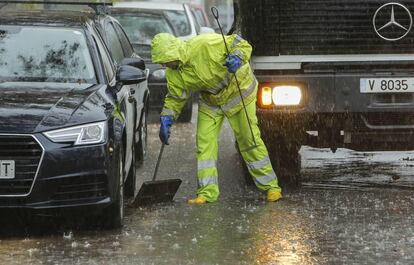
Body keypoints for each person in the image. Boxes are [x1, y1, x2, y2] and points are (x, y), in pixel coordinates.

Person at [151, 32, 282, 204]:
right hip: (211, 100)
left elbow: (241, 44)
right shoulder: (174, 73)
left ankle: (271, 187)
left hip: (239, 92)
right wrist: (167, 118)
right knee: (204, 142)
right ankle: (206, 193)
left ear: (173, 53)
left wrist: (237, 56)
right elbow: (175, 98)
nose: (162, 64)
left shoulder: (205, 44)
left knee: (249, 139)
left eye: (164, 59)